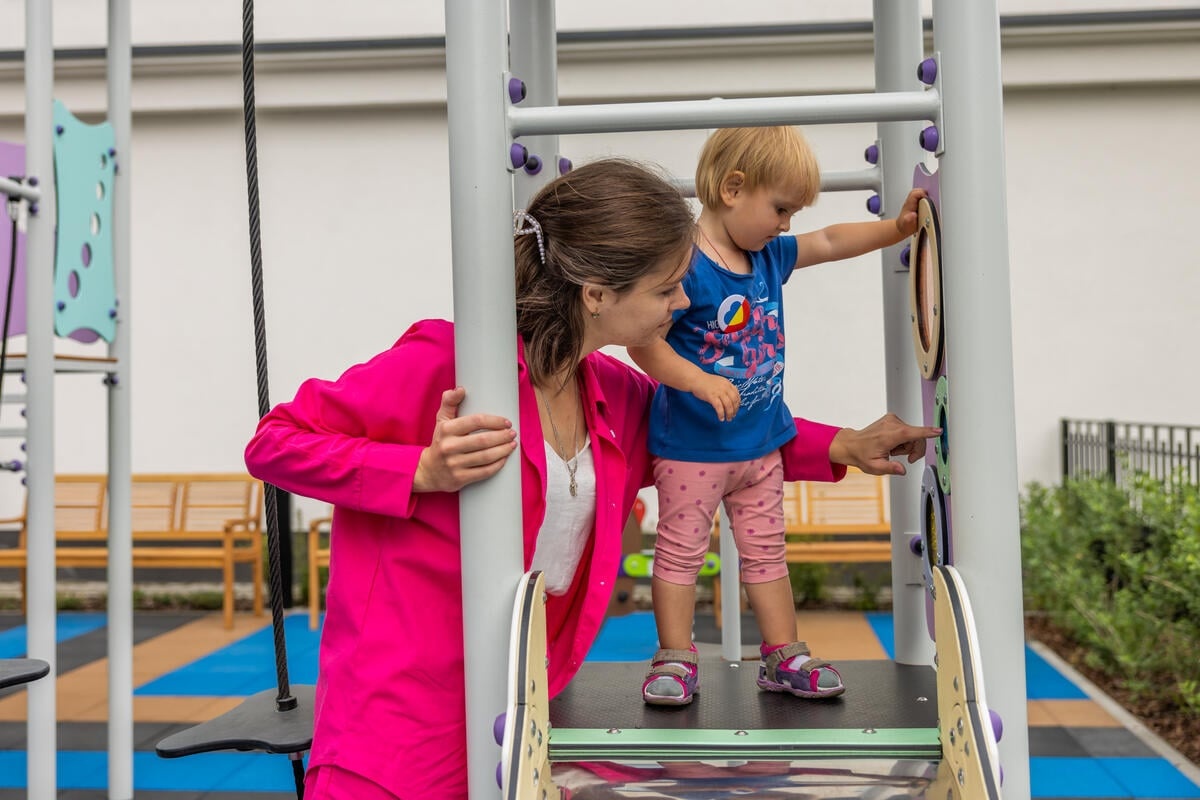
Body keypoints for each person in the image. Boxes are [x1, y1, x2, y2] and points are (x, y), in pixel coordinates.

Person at [243, 157, 939, 800]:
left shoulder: (612, 391)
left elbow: (716, 443)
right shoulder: (448, 363)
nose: (682, 306)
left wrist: (848, 443)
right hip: (397, 729)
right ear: (598, 293)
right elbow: (274, 443)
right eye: (667, 289)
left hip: (523, 711)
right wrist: (419, 468)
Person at [628, 127, 927, 707]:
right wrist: (697, 380)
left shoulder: (768, 256)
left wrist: (896, 229)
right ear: (734, 188)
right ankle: (675, 658)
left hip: (760, 447)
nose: (786, 224)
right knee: (681, 553)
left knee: (767, 553)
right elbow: (644, 341)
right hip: (692, 449)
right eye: (780, 208)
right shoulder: (682, 265)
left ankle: (783, 656)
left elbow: (832, 240)